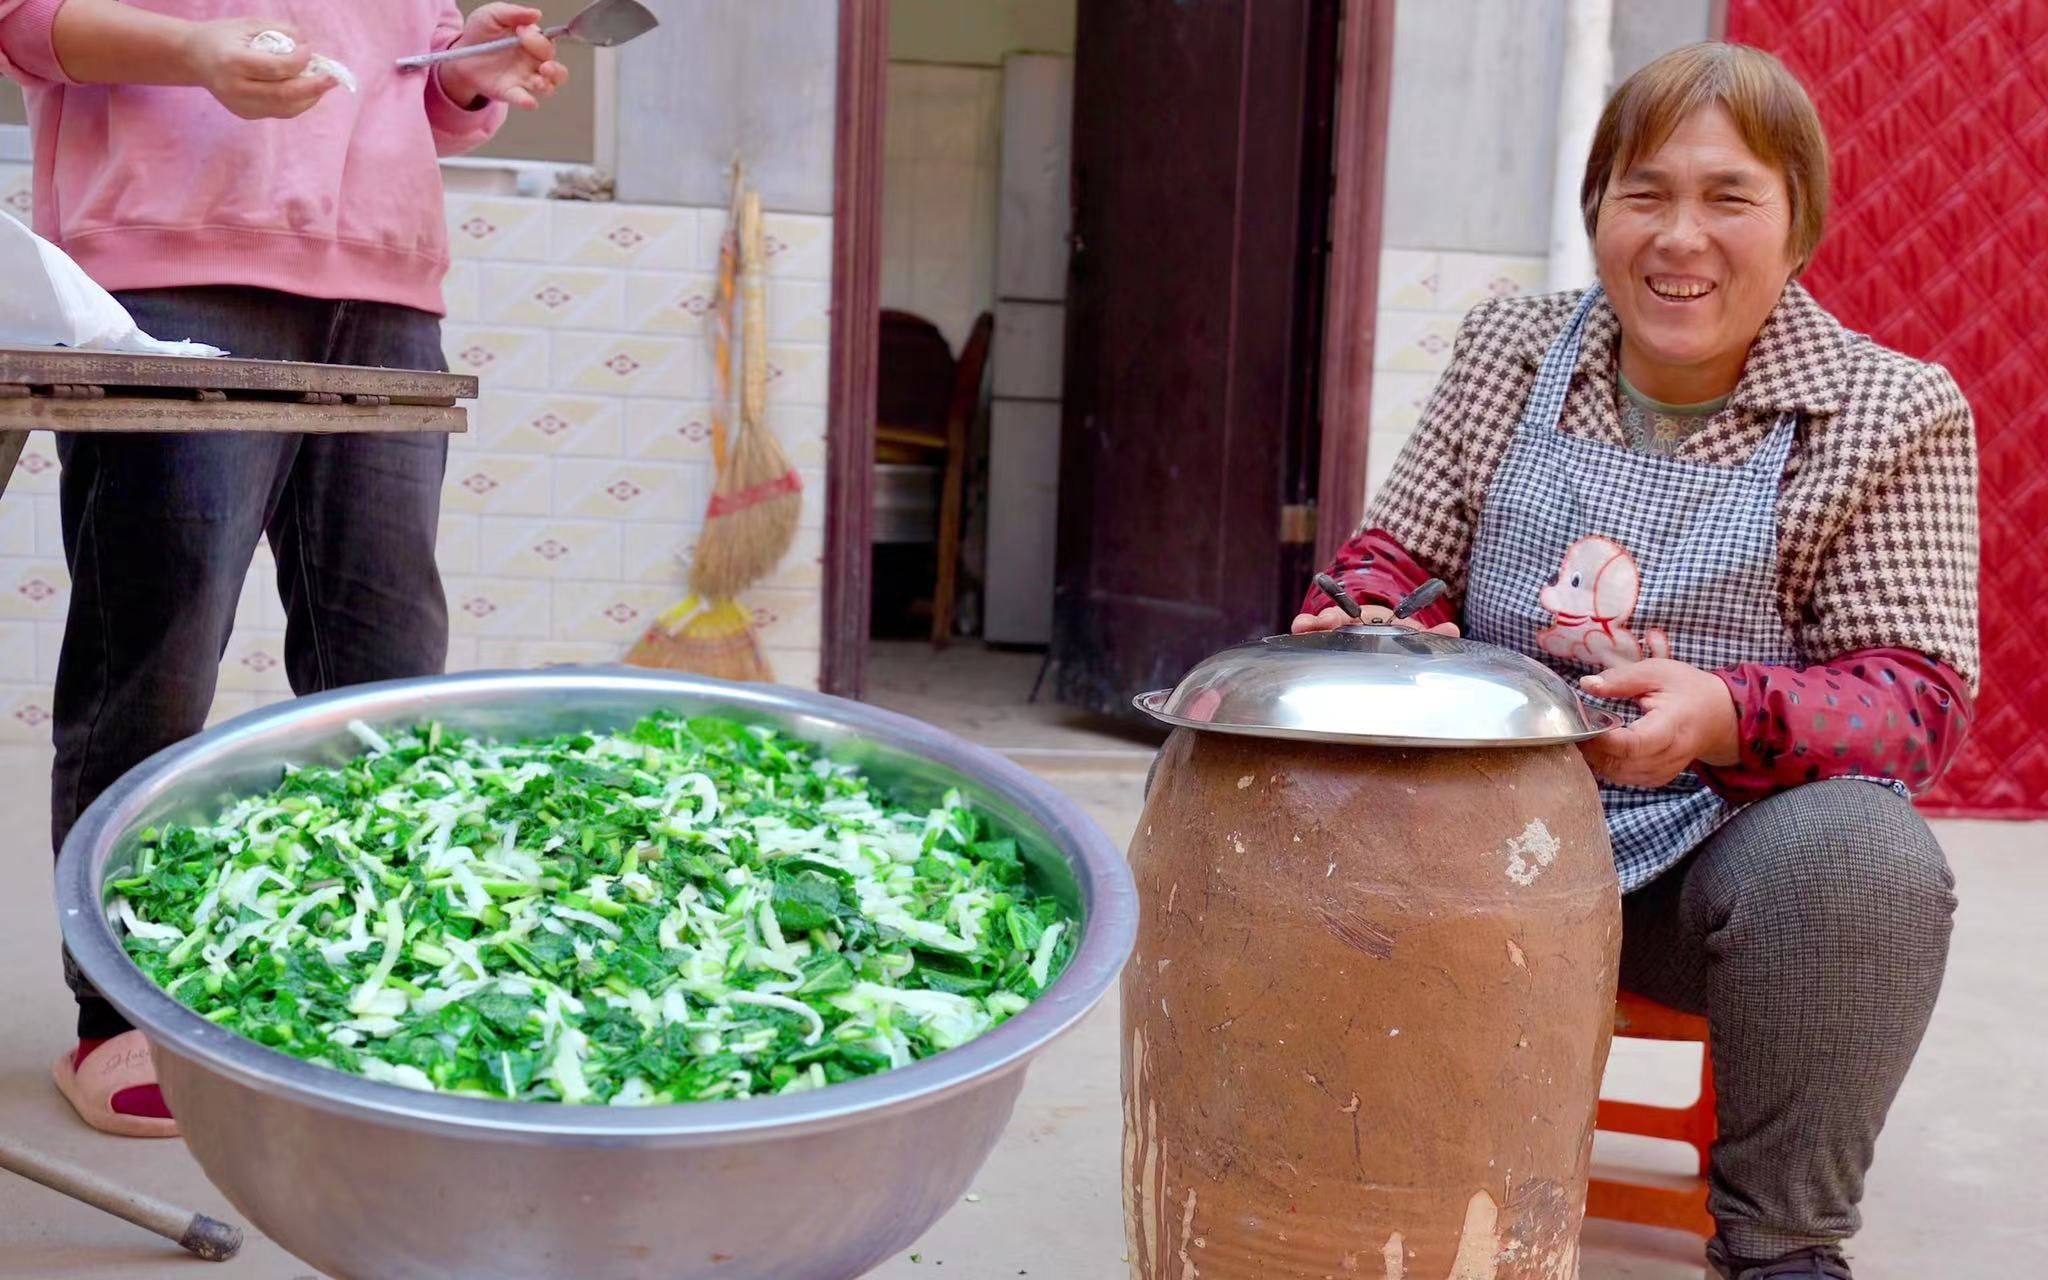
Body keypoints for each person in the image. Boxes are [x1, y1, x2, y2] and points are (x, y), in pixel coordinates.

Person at [1296, 43, 1975, 1280]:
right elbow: (1390, 554)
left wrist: (1720, 711)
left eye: (1728, 197)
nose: (1679, 239)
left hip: (1699, 867)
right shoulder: (1513, 351)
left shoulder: (1888, 409)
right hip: (1474, 835)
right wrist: (1366, 616)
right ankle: (1351, 1173)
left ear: (1798, 224)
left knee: (1866, 863)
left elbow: (1912, 705)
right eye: (1643, 192)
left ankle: (1778, 1243)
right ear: (1595, 208)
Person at [0, 1, 568, 1138]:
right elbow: (24, 22)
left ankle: (385, 980)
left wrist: (471, 75)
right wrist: (201, 53)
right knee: (154, 653)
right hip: (176, 278)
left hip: (389, 294)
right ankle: (118, 1008)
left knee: (390, 663)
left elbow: (417, 99)